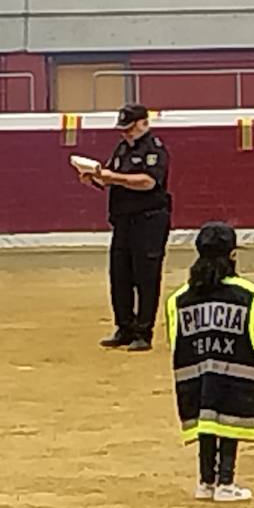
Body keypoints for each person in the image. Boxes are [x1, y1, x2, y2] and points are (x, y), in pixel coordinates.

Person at [166, 221, 254, 502]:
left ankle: (205, 482)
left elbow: (176, 341)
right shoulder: (251, 296)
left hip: (195, 374)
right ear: (233, 255)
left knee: (206, 426)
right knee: (228, 427)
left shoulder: (179, 298)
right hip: (236, 373)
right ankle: (226, 482)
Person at [80, 104, 172, 351]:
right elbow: (111, 177)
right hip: (123, 220)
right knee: (120, 275)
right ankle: (124, 327)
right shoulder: (122, 149)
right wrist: (95, 178)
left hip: (149, 220)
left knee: (146, 277)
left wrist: (112, 178)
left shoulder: (155, 150)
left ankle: (144, 331)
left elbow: (148, 182)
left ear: (143, 123)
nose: (125, 134)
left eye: (129, 129)